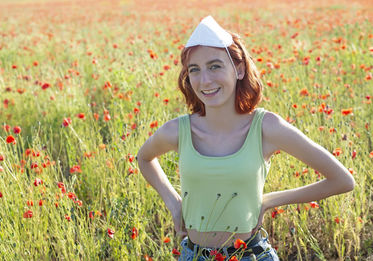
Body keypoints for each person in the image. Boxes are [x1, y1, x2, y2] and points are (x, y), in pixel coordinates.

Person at [137, 16, 355, 261]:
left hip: (251, 255)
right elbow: (144, 158)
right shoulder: (178, 130)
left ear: (239, 70)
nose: (205, 80)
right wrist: (174, 203)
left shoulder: (266, 127)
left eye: (215, 66)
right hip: (194, 255)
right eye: (194, 70)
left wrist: (268, 201)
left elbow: (342, 180)